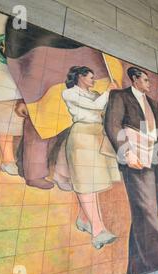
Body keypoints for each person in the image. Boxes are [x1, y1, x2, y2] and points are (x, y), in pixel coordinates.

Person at [104, 67, 158, 274]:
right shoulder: (119, 96)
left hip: (154, 159)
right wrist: (126, 154)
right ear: (135, 79)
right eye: (145, 80)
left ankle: (137, 268)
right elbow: (113, 125)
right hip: (134, 159)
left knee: (145, 213)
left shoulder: (152, 103)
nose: (149, 84)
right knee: (146, 210)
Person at [62, 66, 120, 249]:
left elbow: (106, 108)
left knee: (92, 183)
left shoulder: (95, 93)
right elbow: (96, 106)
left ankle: (84, 219)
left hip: (97, 135)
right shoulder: (69, 93)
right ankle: (98, 231)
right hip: (81, 136)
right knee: (86, 183)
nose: (93, 80)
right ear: (80, 77)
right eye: (90, 77)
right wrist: (109, 91)